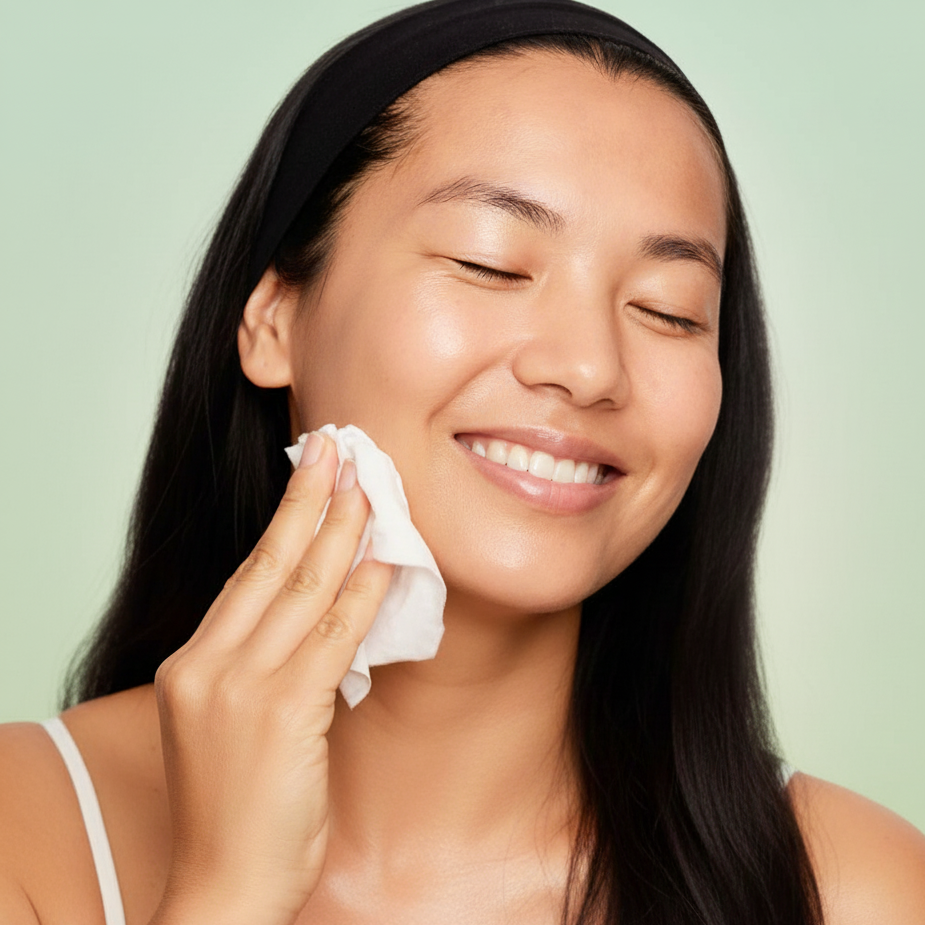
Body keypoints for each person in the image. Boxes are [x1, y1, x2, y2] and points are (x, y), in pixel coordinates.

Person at [1, 0, 923, 923]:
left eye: (668, 309)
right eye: (490, 263)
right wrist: (226, 892)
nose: (589, 367)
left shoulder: (857, 890)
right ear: (274, 316)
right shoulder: (26, 833)